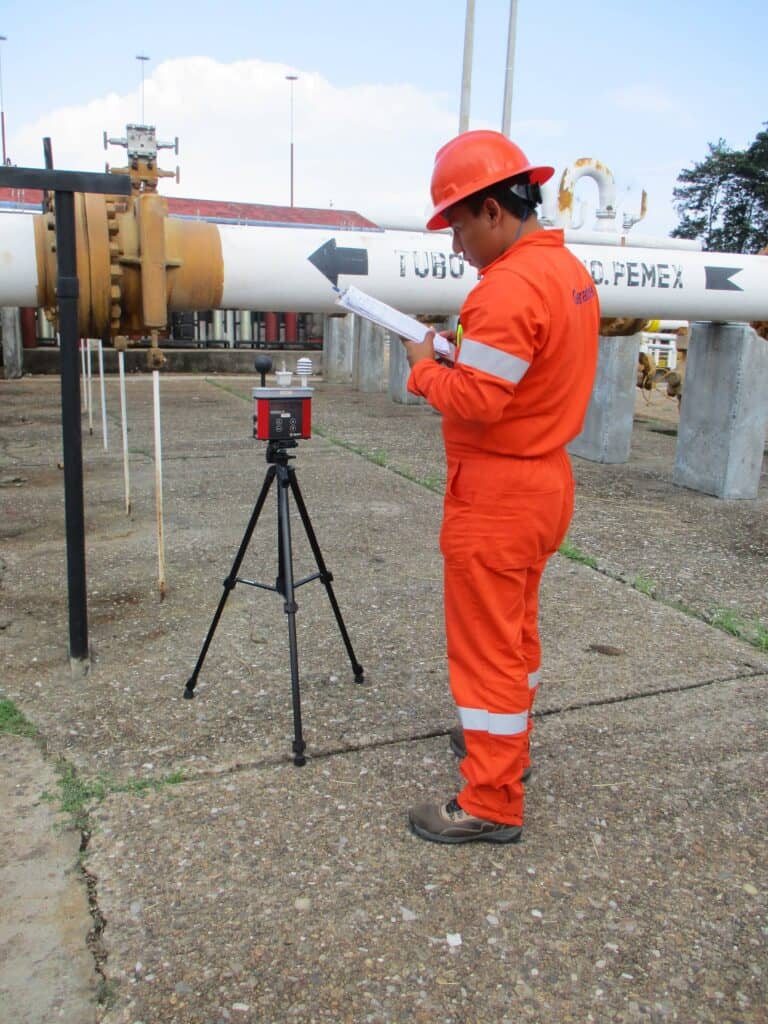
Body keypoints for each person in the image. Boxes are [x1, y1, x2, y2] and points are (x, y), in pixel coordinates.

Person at [402, 130, 600, 844]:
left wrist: (424, 364)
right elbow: (520, 372)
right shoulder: (566, 270)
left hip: (498, 494)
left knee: (486, 650)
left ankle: (489, 799)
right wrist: (461, 355)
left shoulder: (507, 287)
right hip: (545, 483)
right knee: (514, 636)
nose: (455, 242)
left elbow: (480, 402)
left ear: (492, 210)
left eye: (457, 222)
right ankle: (506, 752)